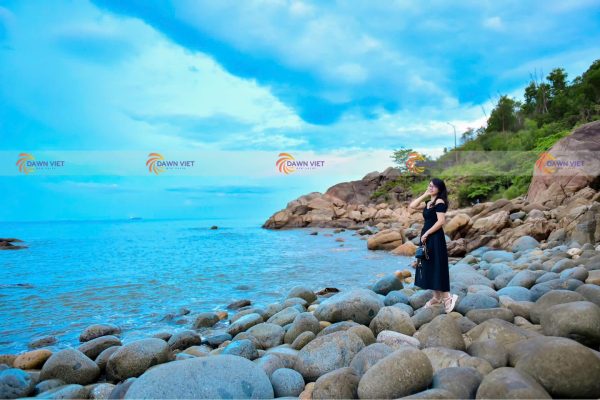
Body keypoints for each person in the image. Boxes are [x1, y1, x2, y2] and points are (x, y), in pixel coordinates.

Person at [400, 178, 458, 313]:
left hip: (435, 237)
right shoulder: (428, 203)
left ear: (439, 189)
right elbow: (412, 206)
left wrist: (427, 233)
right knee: (429, 265)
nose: (431, 188)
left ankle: (447, 297)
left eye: (433, 186)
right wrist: (425, 194)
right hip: (427, 236)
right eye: (430, 186)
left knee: (437, 265)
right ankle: (436, 297)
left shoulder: (440, 202)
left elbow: (441, 221)